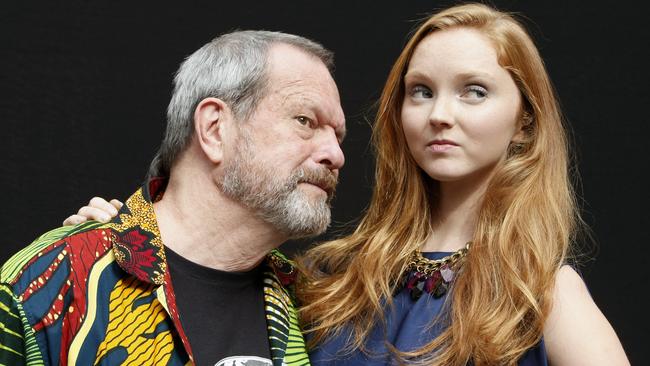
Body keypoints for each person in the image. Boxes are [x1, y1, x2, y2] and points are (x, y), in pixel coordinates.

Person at [58, 3, 630, 365]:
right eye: (421, 90)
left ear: (524, 121)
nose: (439, 115)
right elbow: (204, 281)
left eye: (474, 91)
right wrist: (125, 238)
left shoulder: (543, 292)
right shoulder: (333, 280)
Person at [0, 30, 345, 366]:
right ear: (214, 129)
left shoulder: (318, 310)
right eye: (305, 121)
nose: (335, 155)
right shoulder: (44, 287)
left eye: (338, 136)